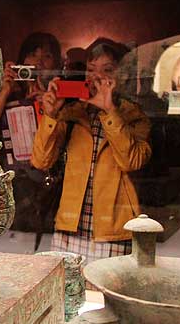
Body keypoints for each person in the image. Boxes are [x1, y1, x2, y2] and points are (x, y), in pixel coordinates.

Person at [31, 38, 152, 262]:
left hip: (113, 228)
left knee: (104, 284)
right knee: (66, 283)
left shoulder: (133, 116)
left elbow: (131, 161)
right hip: (69, 224)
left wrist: (110, 111)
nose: (97, 77)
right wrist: (50, 115)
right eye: (91, 69)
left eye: (107, 70)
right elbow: (41, 161)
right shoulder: (72, 113)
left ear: (122, 76)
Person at [0, 32, 61, 234]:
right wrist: (4, 90)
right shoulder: (9, 95)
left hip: (48, 186)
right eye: (32, 55)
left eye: (46, 56)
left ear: (56, 64)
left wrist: (49, 106)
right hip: (14, 184)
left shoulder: (59, 99)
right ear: (21, 61)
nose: (38, 62)